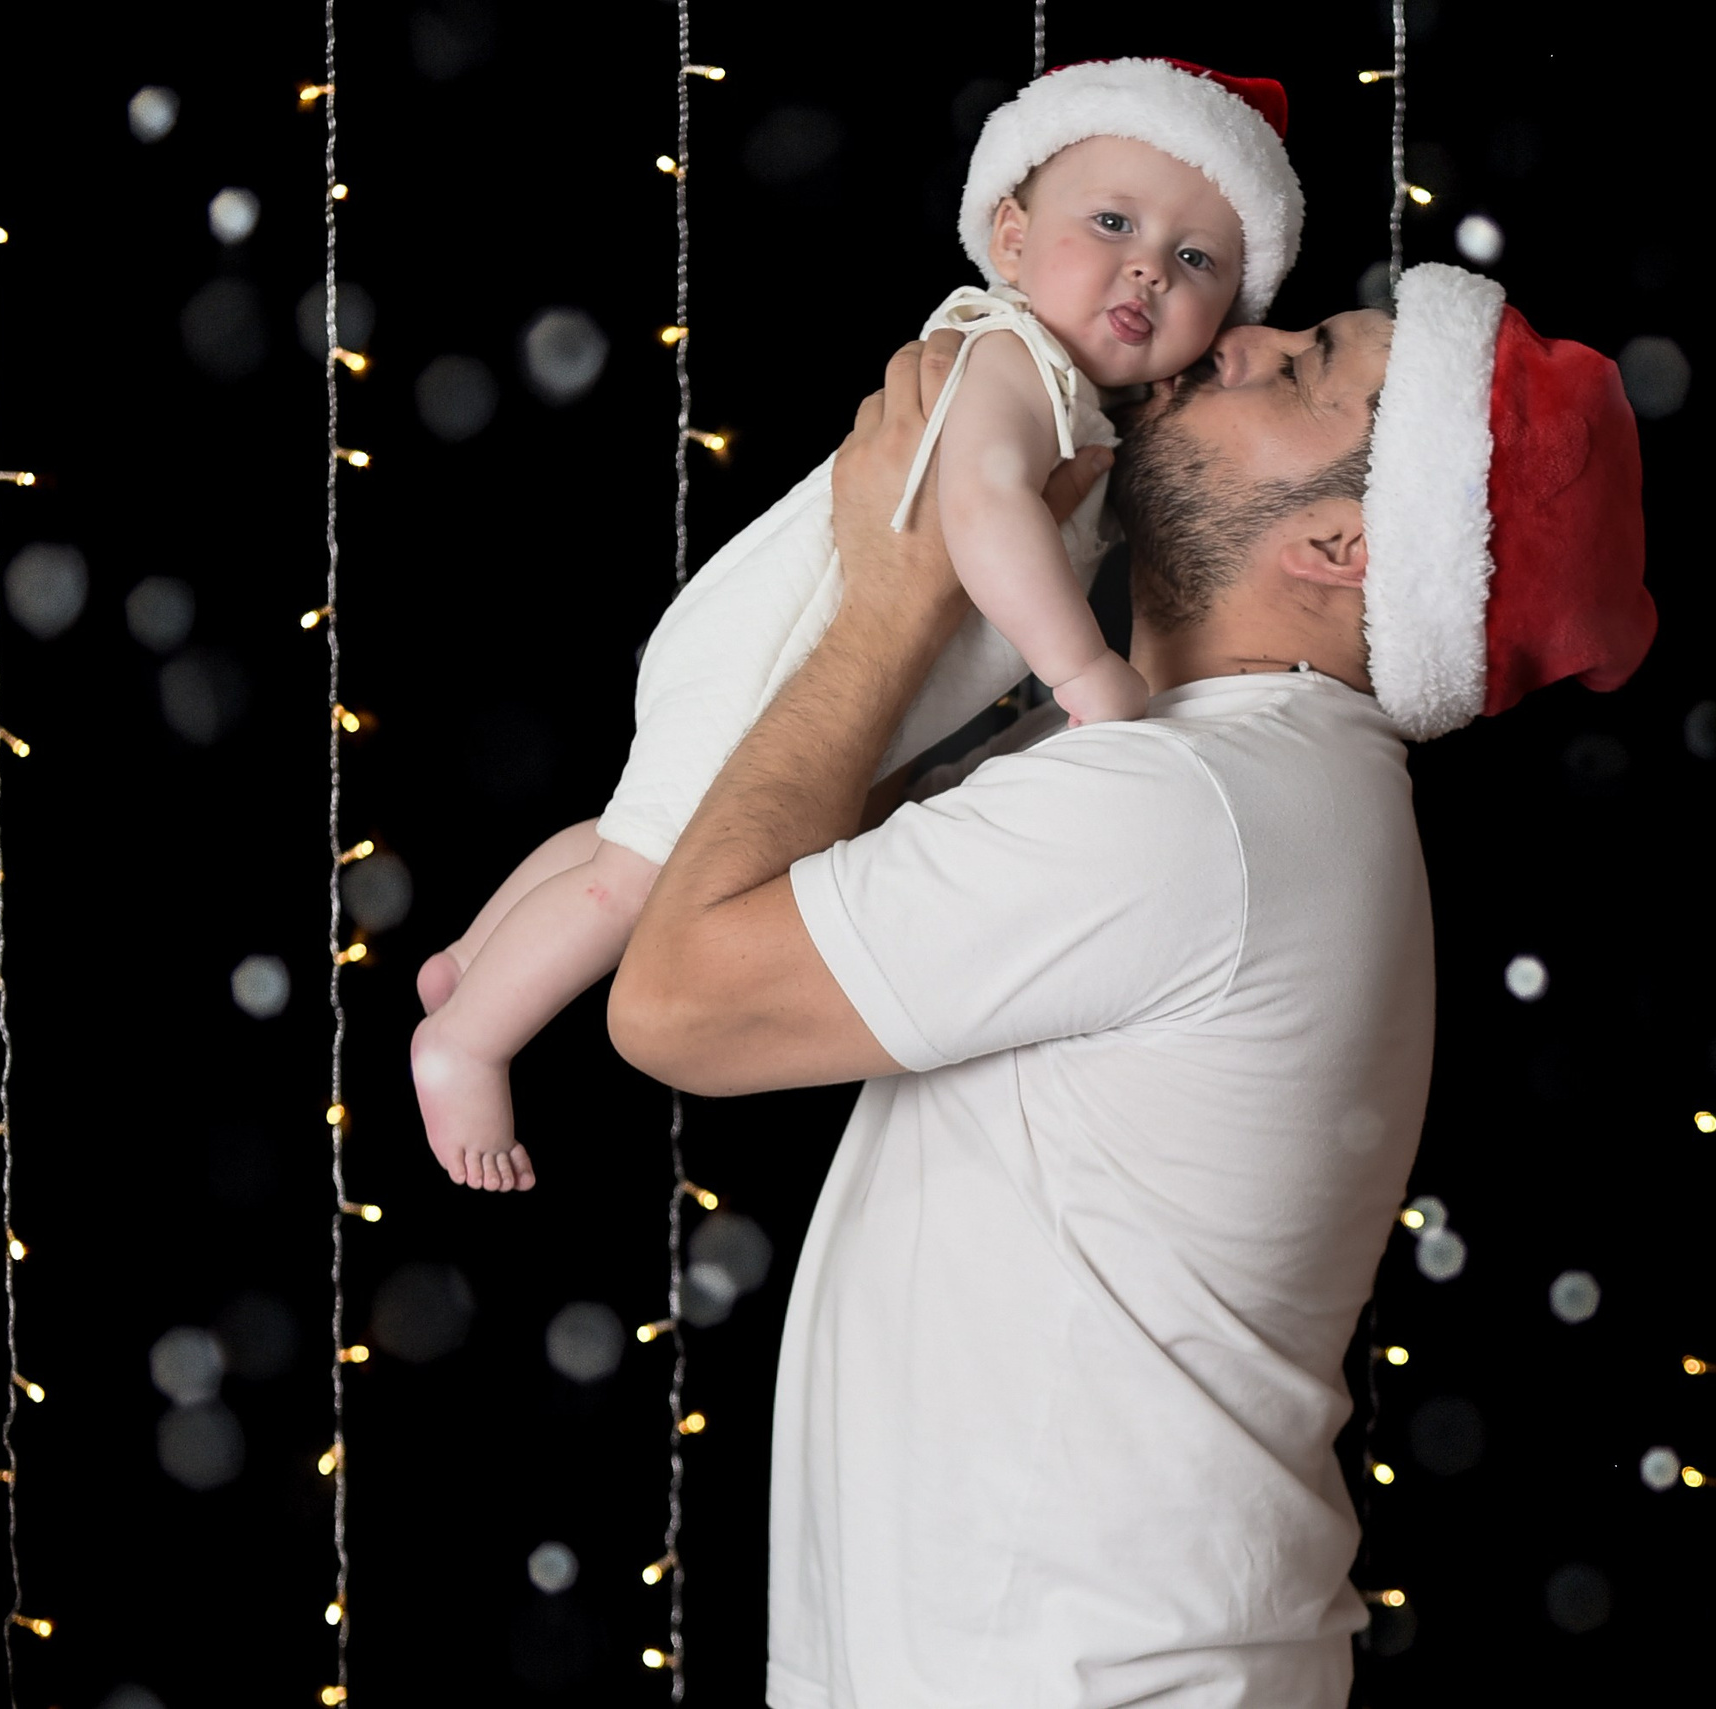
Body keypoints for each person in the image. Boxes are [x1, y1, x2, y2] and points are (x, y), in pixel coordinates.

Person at [606, 263, 1654, 1706]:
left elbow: (676, 1003)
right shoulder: (1209, 775)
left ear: (1346, 543)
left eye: (1299, 371)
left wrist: (891, 602)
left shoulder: (1190, 807)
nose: (1235, 342)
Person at [407, 58, 1305, 1189]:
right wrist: (1085, 672)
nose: (1145, 267)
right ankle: (467, 1040)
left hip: (779, 641)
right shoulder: (1011, 357)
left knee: (631, 833)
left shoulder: (1085, 404)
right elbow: (977, 513)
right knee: (639, 879)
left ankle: (471, 957)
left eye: (1194, 260)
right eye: (1114, 221)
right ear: (1013, 237)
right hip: (783, 646)